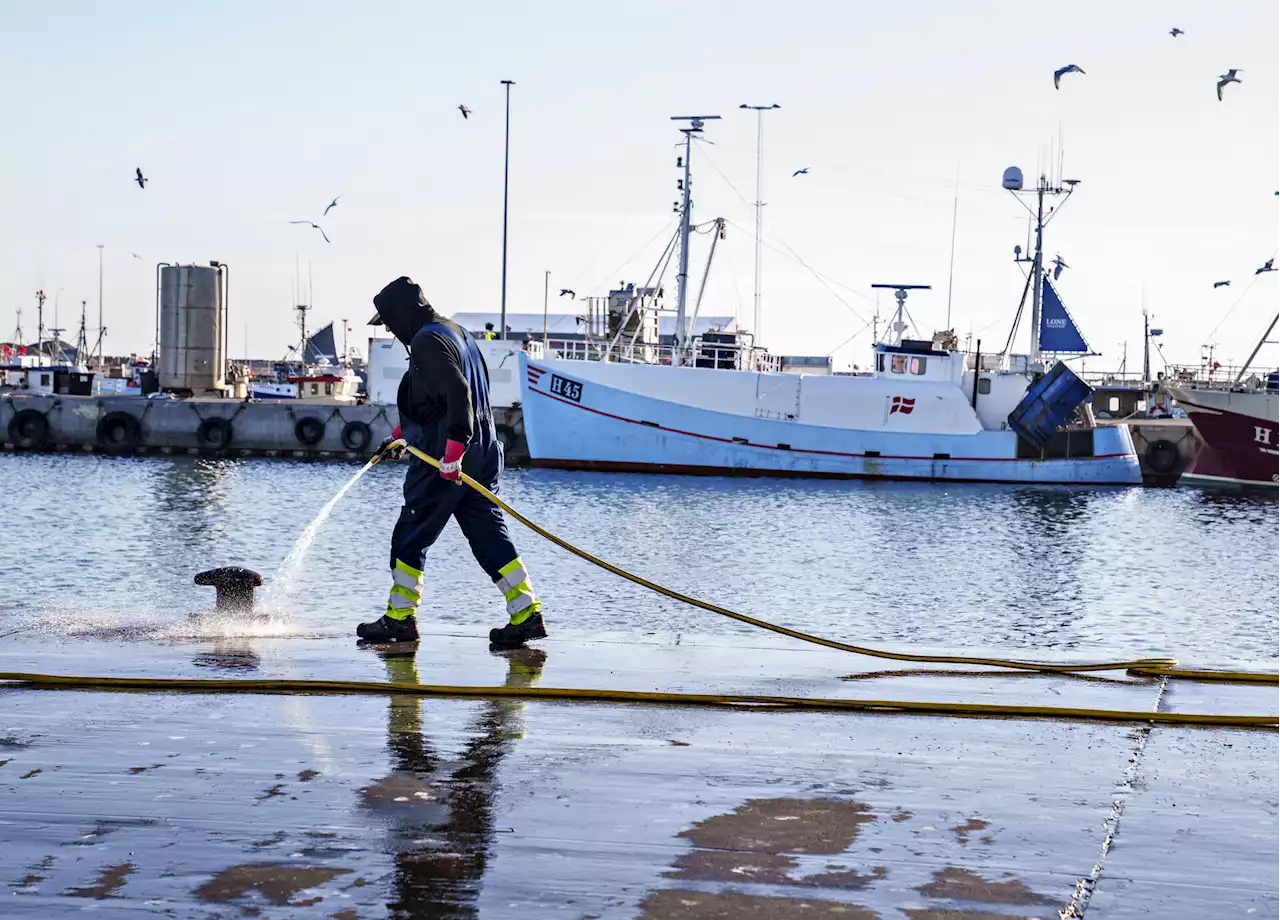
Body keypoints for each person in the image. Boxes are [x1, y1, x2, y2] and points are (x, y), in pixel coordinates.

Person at [358, 276, 547, 649]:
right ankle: (526, 613)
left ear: (401, 315)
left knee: (411, 535)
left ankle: (400, 618)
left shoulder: (427, 341)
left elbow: (459, 393)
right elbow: (439, 397)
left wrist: (451, 453)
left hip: (445, 463)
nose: (391, 331)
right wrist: (402, 434)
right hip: (483, 455)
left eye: (389, 323)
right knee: (488, 536)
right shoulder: (455, 332)